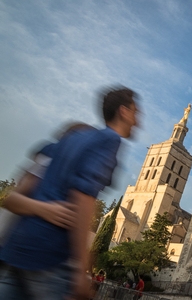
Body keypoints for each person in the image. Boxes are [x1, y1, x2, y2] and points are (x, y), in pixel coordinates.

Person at [0, 87, 140, 300]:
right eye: (135, 112)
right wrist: (81, 268)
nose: (138, 120)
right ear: (123, 111)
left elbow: (15, 195)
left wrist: (39, 208)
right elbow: (82, 199)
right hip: (50, 256)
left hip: (18, 250)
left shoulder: (66, 141)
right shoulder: (109, 140)